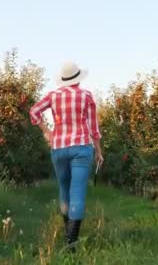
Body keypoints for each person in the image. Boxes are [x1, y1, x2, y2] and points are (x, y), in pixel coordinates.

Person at [29, 61, 104, 252]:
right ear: (78, 79)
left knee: (64, 189)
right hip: (81, 147)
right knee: (77, 192)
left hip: (59, 148)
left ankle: (67, 231)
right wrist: (99, 151)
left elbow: (34, 111)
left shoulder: (53, 96)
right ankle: (71, 242)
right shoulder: (86, 96)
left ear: (63, 80)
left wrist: (47, 131)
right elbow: (94, 128)